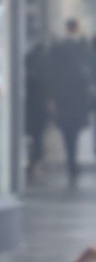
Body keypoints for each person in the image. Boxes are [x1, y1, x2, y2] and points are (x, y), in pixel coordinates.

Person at [49, 22, 94, 187]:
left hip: (64, 99)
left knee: (67, 133)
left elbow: (52, 74)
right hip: (77, 100)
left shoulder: (59, 49)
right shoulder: (82, 50)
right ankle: (72, 161)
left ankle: (71, 160)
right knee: (73, 133)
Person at [27, 36, 51, 179]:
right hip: (39, 105)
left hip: (31, 105)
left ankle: (34, 161)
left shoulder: (28, 60)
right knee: (37, 136)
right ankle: (35, 160)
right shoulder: (45, 64)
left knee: (34, 135)